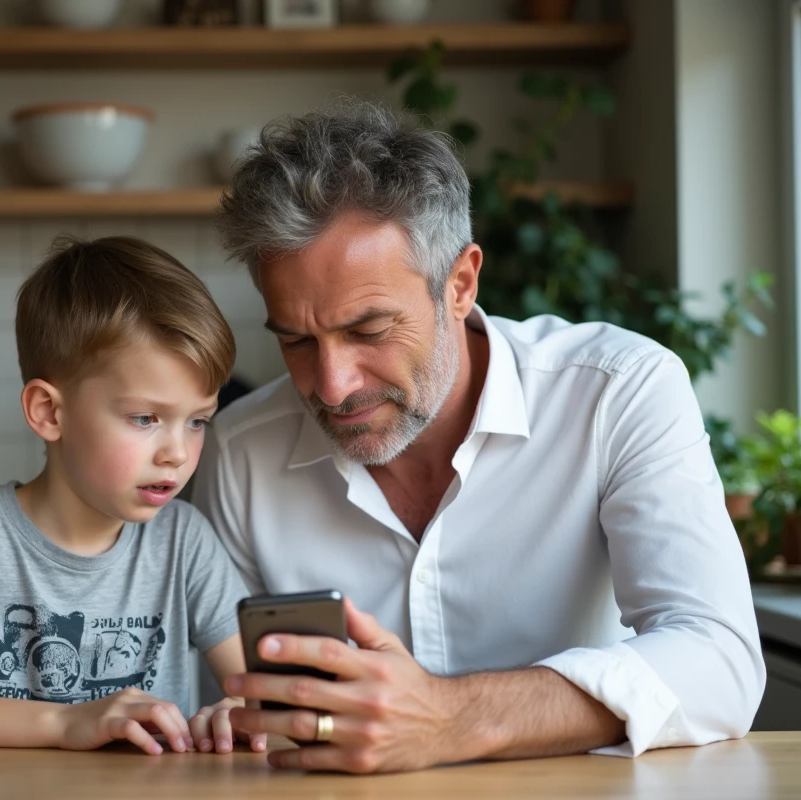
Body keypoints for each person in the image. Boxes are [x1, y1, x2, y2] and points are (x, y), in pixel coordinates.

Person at [191, 100, 764, 773]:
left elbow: (718, 659)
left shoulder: (618, 392)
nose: (334, 385)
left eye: (369, 330)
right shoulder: (240, 450)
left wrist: (449, 718)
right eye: (295, 340)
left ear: (460, 284)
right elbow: (236, 711)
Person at [0, 235, 265, 757]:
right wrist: (66, 724)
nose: (177, 453)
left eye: (198, 421)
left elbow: (264, 695)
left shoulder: (184, 541)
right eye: (145, 418)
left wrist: (243, 711)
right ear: (48, 412)